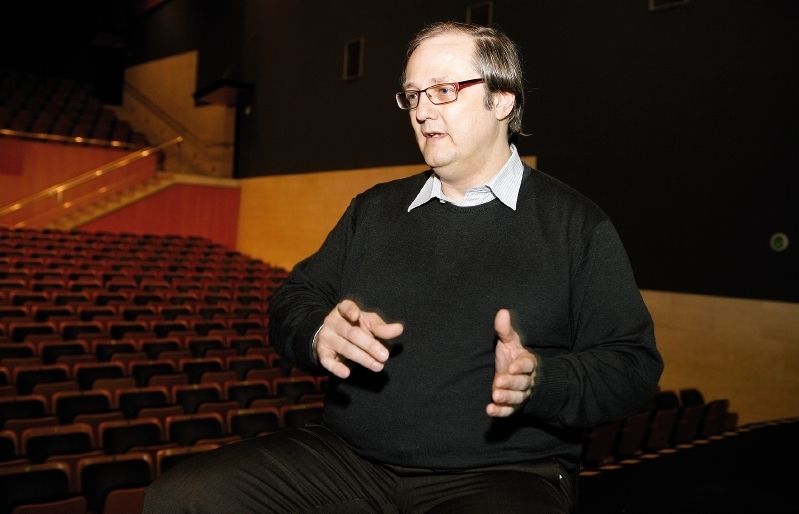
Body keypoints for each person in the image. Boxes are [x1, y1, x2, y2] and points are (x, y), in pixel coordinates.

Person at [144, 21, 662, 513]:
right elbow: (292, 300)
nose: (421, 110)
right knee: (182, 498)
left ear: (502, 98)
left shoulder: (577, 226)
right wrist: (318, 331)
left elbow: (633, 368)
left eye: (442, 90)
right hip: (351, 458)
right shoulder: (373, 210)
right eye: (412, 95)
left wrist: (541, 382)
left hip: (502, 472)